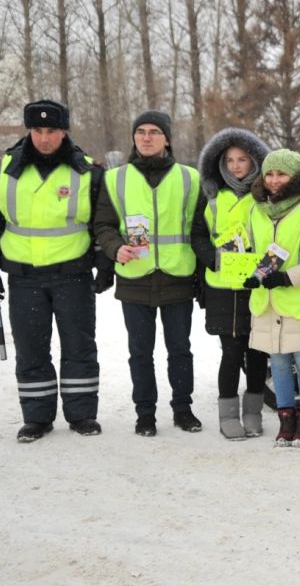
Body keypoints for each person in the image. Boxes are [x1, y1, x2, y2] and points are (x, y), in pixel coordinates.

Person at [0, 99, 109, 442]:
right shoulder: (2, 169)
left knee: (79, 347)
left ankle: (82, 416)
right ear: (28, 131)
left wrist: (105, 264)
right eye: (37, 131)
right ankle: (37, 418)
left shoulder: (88, 171)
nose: (44, 138)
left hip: (73, 275)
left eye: (52, 131)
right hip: (24, 277)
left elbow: (101, 223)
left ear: (64, 131)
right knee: (32, 349)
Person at [94, 110, 203, 437]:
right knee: (140, 352)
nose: (146, 137)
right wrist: (115, 248)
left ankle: (183, 409)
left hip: (177, 275)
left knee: (180, 350)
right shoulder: (115, 179)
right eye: (140, 131)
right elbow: (102, 225)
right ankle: (145, 414)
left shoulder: (189, 178)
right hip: (135, 277)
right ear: (133, 137)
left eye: (154, 131)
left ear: (166, 138)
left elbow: (199, 228)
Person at [242, 149, 300, 447]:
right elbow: (249, 248)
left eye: (281, 174)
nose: (274, 180)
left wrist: (288, 277)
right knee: (277, 362)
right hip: (266, 301)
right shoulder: (256, 209)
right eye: (269, 174)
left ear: (295, 178)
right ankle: (285, 418)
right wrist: (243, 267)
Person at [191, 128, 271, 439]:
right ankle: (228, 414)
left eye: (242, 159)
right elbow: (197, 235)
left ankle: (253, 412)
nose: (236, 166)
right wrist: (214, 258)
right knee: (232, 351)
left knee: (258, 351)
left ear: (254, 162)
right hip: (223, 287)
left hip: (257, 284)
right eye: (230, 160)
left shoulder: (264, 198)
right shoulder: (212, 197)